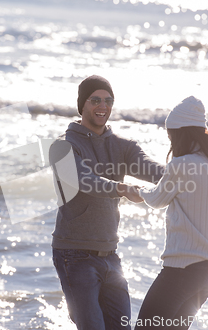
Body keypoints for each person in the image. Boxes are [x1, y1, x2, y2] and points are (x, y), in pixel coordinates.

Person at [50, 75, 165, 330]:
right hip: (74, 256)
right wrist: (122, 189)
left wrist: (185, 174)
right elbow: (87, 181)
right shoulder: (63, 147)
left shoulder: (122, 147)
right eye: (95, 100)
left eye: (108, 100)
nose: (103, 106)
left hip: (111, 257)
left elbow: (153, 169)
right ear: (82, 105)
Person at [131, 96, 208, 330]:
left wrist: (135, 190)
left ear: (181, 132)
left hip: (182, 271)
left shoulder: (181, 164)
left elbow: (158, 199)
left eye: (171, 135)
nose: (170, 141)